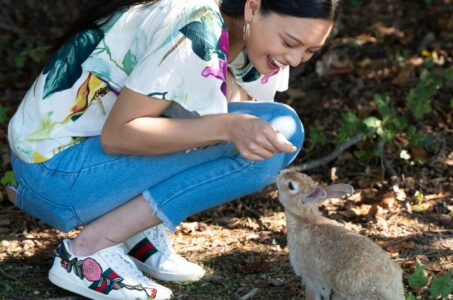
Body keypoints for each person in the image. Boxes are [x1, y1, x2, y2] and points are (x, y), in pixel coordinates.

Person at [7, 0, 339, 298]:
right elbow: (119, 135)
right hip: (53, 172)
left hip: (82, 168)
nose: (295, 60)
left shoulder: (255, 44)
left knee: (272, 136)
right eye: (290, 43)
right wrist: (228, 127)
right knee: (276, 128)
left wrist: (231, 124)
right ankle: (87, 252)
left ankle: (135, 235)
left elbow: (220, 111)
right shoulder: (198, 21)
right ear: (253, 8)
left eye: (310, 51)